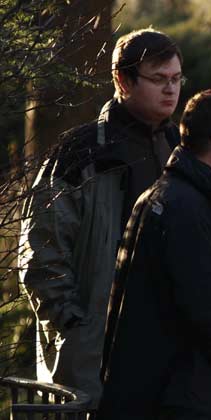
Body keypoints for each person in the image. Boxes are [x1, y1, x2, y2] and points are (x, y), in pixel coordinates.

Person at [18, 27, 183, 406]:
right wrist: (74, 325)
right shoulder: (81, 151)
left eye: (176, 78)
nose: (171, 89)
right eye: (159, 79)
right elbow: (40, 249)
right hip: (98, 347)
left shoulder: (181, 148)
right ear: (122, 80)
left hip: (170, 344)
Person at [98, 89, 211, 419]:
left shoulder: (169, 197)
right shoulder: (187, 209)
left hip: (167, 391)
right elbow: (210, 310)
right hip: (181, 397)